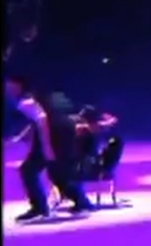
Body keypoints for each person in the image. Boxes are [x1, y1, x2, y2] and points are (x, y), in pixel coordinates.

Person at [4, 74, 93, 221]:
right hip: (59, 132)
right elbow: (35, 122)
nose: (6, 88)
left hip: (56, 134)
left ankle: (41, 207)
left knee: (36, 170)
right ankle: (79, 202)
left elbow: (42, 119)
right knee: (50, 171)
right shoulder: (29, 99)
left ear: (18, 85)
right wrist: (19, 138)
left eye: (9, 84)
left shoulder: (26, 101)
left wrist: (47, 147)